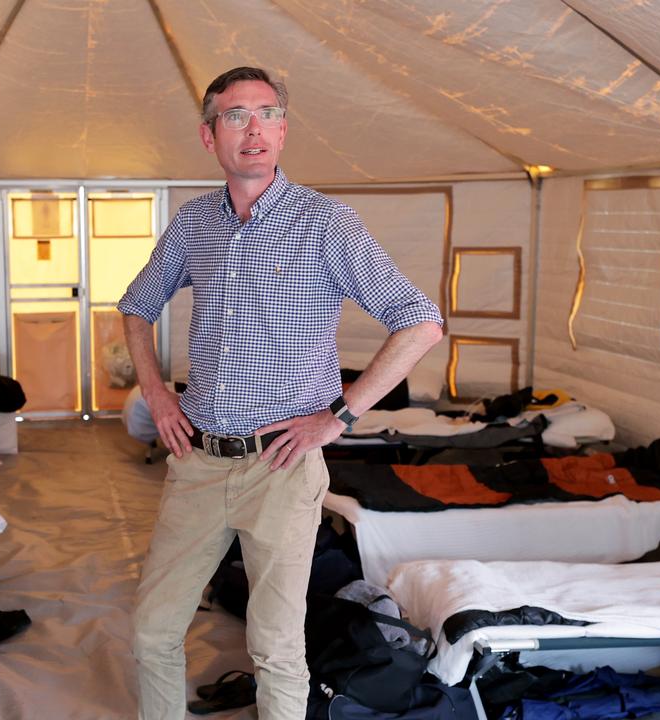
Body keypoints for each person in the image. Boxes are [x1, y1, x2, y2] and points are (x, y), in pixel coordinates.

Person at [118, 67, 444, 719]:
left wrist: (339, 416)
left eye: (268, 113)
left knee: (275, 647)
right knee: (152, 631)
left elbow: (421, 322)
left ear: (285, 128)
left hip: (284, 469)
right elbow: (136, 306)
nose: (255, 128)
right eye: (236, 116)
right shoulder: (193, 224)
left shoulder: (326, 222)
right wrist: (155, 394)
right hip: (199, 463)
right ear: (210, 135)